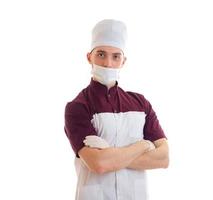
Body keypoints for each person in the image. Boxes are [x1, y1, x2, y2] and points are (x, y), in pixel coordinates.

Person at [64, 19, 169, 200]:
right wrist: (144, 145)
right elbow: (99, 164)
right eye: (101, 54)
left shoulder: (141, 104)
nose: (108, 64)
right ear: (89, 57)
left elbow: (163, 158)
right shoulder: (78, 107)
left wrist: (109, 153)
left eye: (116, 56)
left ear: (124, 61)